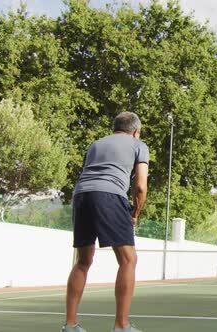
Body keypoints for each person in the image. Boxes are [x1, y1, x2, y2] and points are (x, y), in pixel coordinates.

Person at [62, 112, 149, 332]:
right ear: (136, 131)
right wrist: (135, 212)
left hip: (81, 195)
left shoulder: (95, 144)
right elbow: (140, 186)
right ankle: (121, 326)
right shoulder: (138, 145)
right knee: (128, 259)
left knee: (83, 261)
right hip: (110, 196)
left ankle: (70, 326)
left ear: (115, 127)